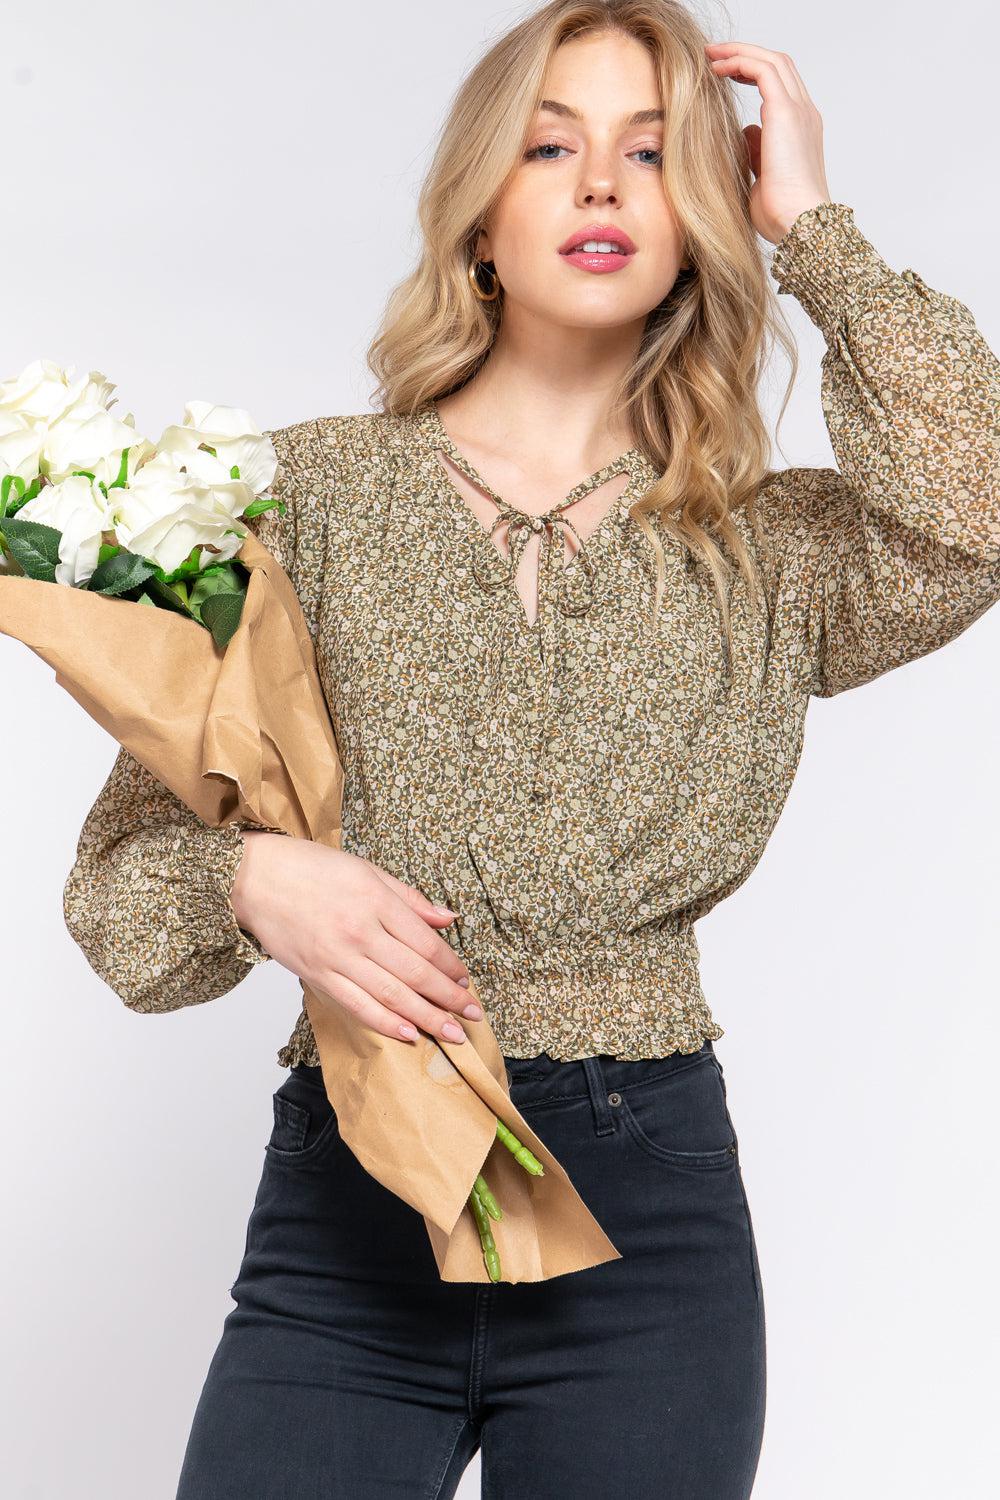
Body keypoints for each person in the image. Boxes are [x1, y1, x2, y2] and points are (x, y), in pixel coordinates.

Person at [61, 4, 999, 1498]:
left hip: (648, 1222)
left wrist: (814, 223)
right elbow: (121, 898)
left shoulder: (770, 543)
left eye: (656, 153)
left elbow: (978, 506)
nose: (605, 184)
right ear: (479, 216)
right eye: (552, 144)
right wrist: (254, 884)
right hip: (353, 1202)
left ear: (700, 220)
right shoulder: (306, 496)